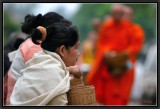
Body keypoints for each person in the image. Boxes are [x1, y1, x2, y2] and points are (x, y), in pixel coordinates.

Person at [4, 12, 81, 105]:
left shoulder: (41, 56)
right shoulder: (35, 50)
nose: (79, 53)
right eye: (76, 47)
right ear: (62, 50)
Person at [86, 4, 144, 105]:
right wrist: (107, 53)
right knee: (107, 95)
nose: (125, 17)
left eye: (127, 14)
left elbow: (135, 47)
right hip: (109, 67)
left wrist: (123, 54)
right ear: (112, 14)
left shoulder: (133, 29)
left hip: (125, 68)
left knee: (121, 97)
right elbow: (101, 44)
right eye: (116, 13)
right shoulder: (107, 26)